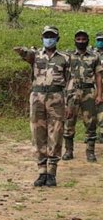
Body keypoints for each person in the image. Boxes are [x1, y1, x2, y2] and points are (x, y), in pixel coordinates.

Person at [14, 26, 71, 187]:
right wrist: (21, 51)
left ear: (57, 39)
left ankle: (52, 172)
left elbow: (70, 81)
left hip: (57, 97)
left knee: (56, 132)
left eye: (52, 36)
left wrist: (70, 103)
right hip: (37, 97)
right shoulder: (35, 55)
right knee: (38, 133)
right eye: (46, 36)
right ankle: (41, 171)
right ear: (42, 38)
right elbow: (26, 54)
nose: (49, 39)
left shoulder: (65, 58)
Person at [63, 29, 101, 163]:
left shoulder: (94, 57)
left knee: (91, 122)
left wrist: (99, 94)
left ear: (88, 41)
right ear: (75, 41)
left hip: (89, 92)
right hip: (72, 92)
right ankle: (68, 151)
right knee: (69, 121)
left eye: (83, 39)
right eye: (78, 39)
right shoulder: (68, 56)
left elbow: (98, 76)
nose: (81, 41)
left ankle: (90, 152)